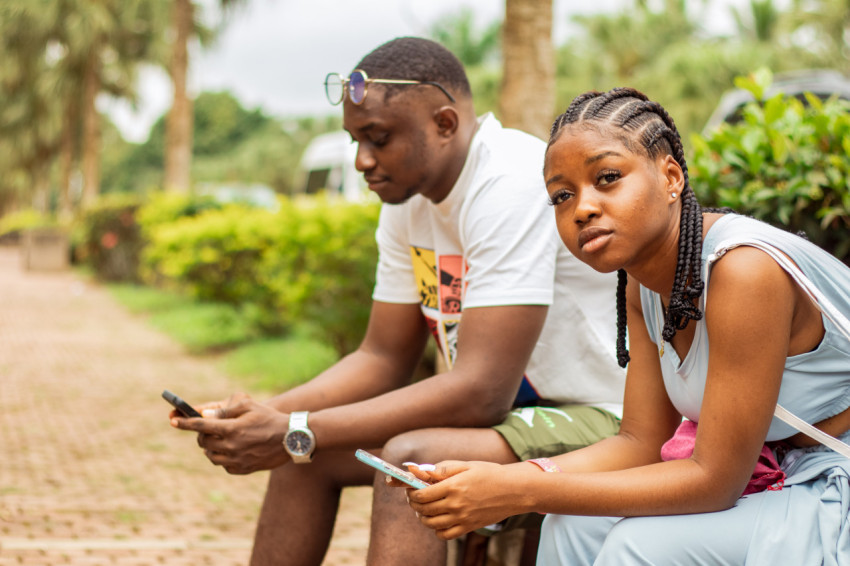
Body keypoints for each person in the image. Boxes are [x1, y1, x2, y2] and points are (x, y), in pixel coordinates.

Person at [168, 38, 626, 565]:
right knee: (308, 459)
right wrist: (265, 416)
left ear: (445, 123)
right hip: (517, 420)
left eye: (379, 138)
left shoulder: (509, 180)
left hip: (604, 416)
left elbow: (482, 392)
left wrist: (297, 429)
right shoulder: (409, 203)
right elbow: (380, 358)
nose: (362, 160)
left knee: (410, 459)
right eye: (355, 140)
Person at [402, 87, 850, 565]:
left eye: (608, 177)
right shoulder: (645, 288)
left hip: (832, 484)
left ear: (670, 176)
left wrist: (524, 489)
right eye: (562, 195)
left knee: (637, 546)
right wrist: (515, 476)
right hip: (785, 477)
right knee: (571, 525)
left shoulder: (743, 271)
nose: (583, 208)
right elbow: (640, 442)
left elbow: (715, 480)